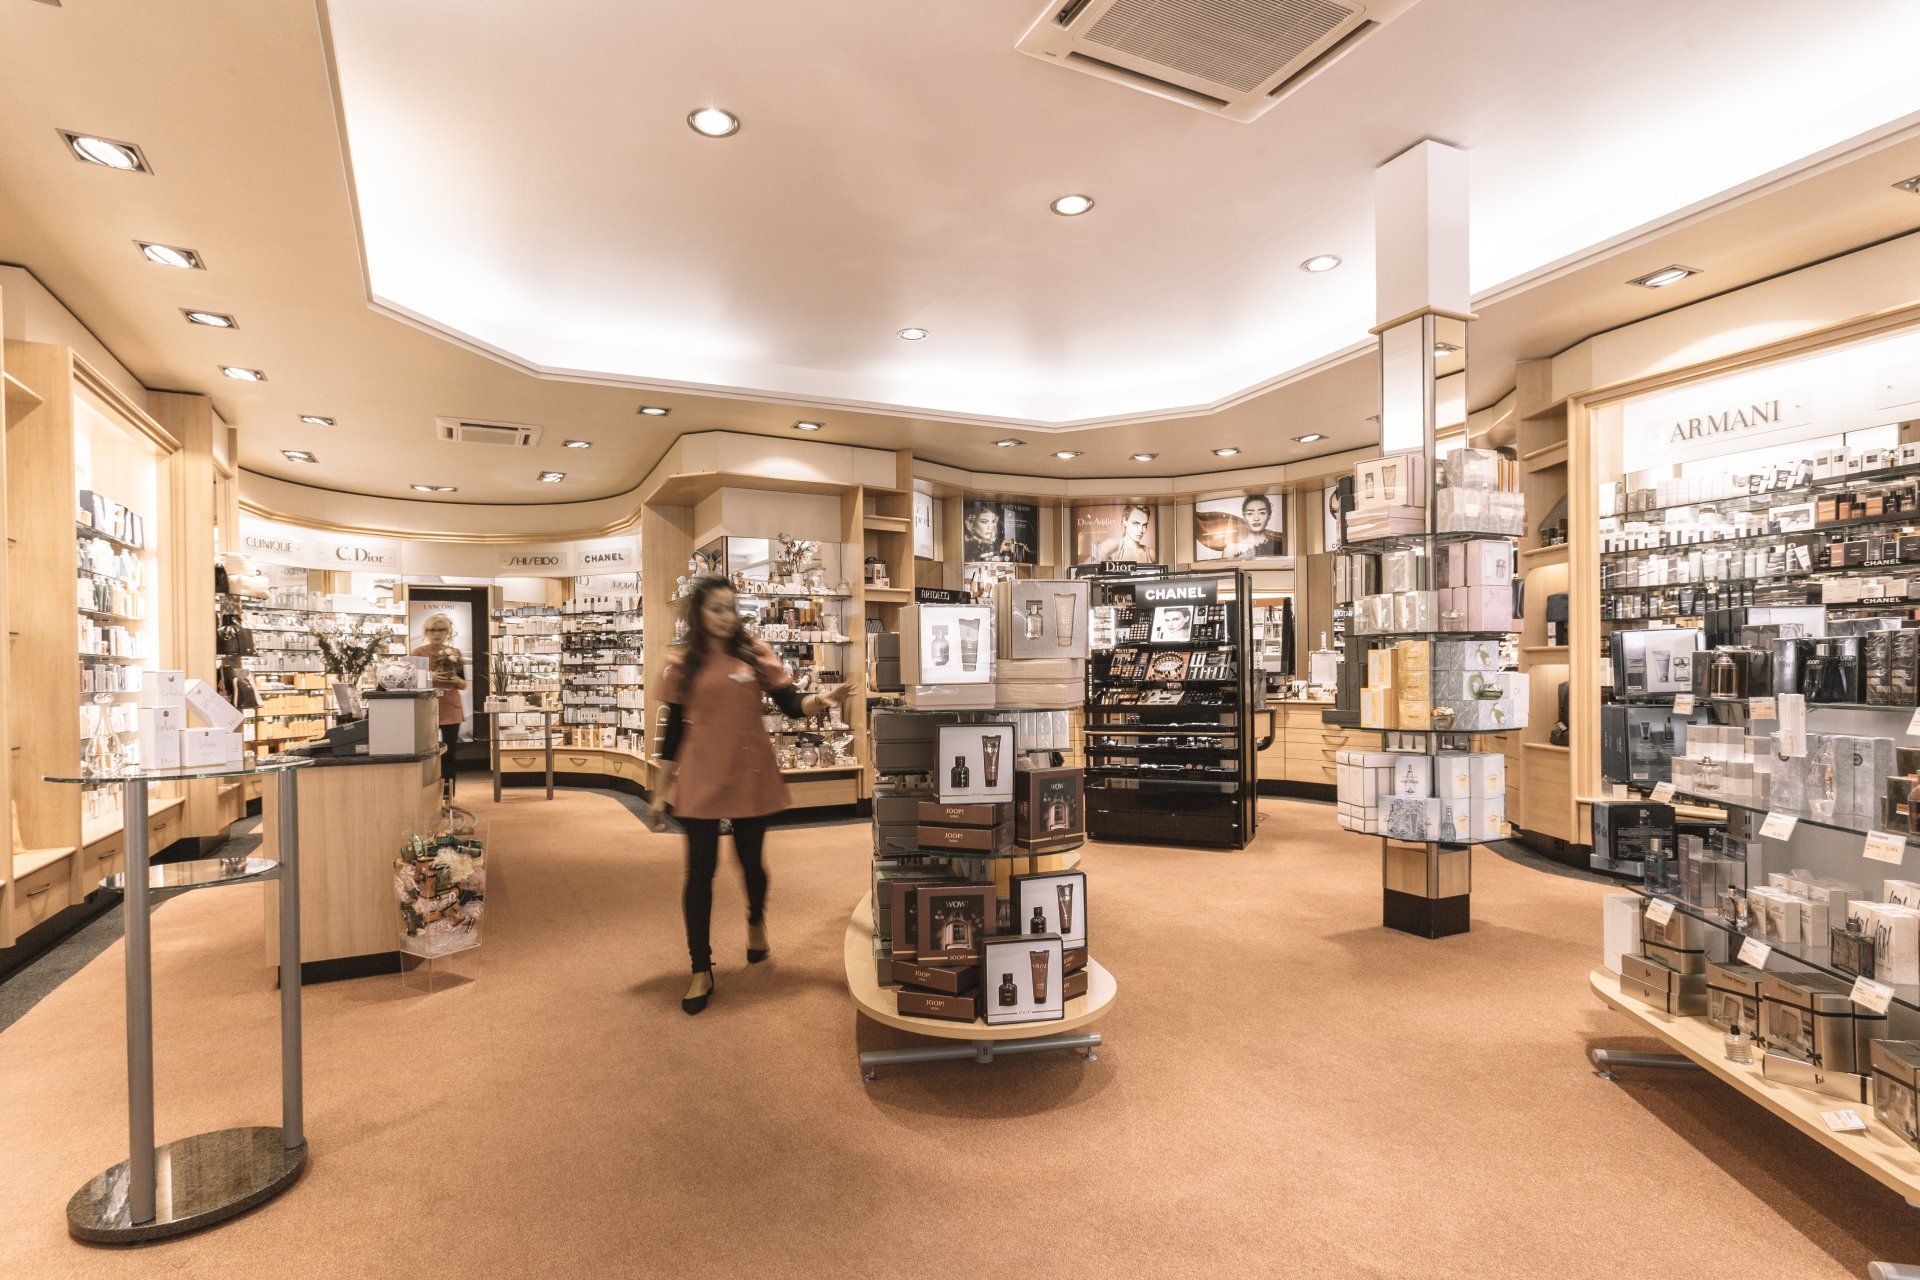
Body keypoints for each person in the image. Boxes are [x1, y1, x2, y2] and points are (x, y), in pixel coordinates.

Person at [648, 577, 858, 1015]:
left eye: (730, 608)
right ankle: (700, 968)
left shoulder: (755, 653)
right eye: (716, 609)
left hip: (749, 772)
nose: (726, 617)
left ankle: (756, 921)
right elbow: (672, 734)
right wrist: (659, 792)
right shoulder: (682, 663)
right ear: (698, 614)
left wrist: (824, 699)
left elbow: (791, 704)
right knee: (699, 873)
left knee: (751, 863)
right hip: (701, 776)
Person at [413, 613, 468, 796]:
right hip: (426, 708)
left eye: (441, 630)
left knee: (450, 753)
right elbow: (411, 681)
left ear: (447, 632)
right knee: (425, 751)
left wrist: (455, 679)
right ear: (426, 632)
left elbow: (463, 684)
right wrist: (431, 676)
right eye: (432, 630)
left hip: (451, 708)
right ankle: (425, 792)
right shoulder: (418, 654)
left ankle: (448, 793)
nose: (436, 634)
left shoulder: (455, 653)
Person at [1232, 495, 1285, 559]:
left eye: (1262, 513)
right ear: (1244, 517)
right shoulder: (1232, 550)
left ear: (1269, 516)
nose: (1256, 518)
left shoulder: (1280, 547)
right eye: (1250, 513)